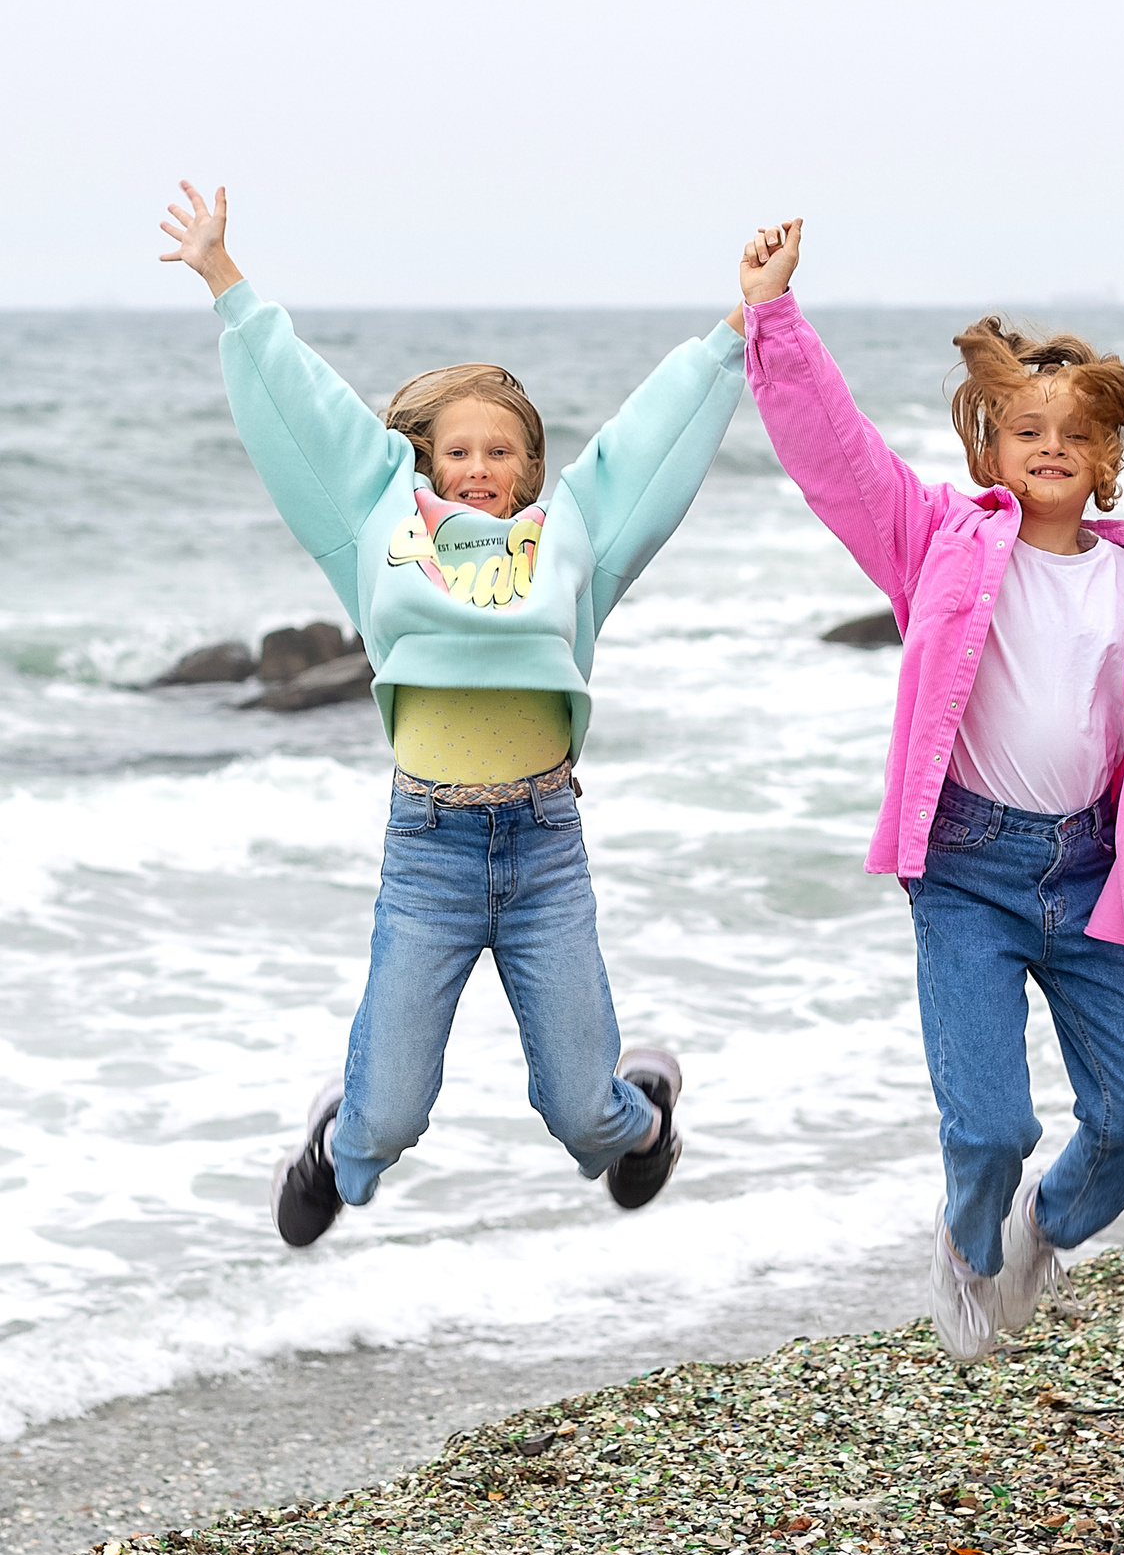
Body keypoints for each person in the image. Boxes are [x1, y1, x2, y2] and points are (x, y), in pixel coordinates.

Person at [734, 221, 1124, 1361]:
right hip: (966, 871)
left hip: (1095, 875)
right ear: (988, 445)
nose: (1052, 446)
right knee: (991, 1122)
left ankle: (1042, 1225)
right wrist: (775, 316)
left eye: (1077, 433)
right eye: (1027, 428)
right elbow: (837, 456)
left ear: (1106, 458)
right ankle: (964, 1240)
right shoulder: (939, 541)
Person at [157, 181, 752, 1244]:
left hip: (543, 850)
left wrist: (736, 328)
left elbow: (646, 448)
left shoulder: (572, 543)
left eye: (502, 451)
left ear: (532, 466)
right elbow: (309, 412)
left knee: (580, 1112)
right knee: (386, 1116)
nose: (479, 467)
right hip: (428, 850)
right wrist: (225, 280)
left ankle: (644, 1121)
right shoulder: (378, 526)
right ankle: (334, 1140)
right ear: (429, 460)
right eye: (459, 451)